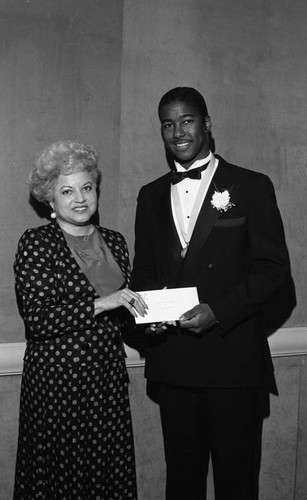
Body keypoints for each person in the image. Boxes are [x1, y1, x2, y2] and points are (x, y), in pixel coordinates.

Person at [132, 87, 290, 500]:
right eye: (168, 123)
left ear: (207, 124)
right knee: (181, 480)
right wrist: (151, 314)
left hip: (232, 360)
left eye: (187, 120)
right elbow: (144, 271)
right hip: (174, 362)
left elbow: (273, 271)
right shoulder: (149, 196)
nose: (178, 131)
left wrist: (218, 311)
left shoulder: (251, 185)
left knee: (236, 481)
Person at [13, 140, 147, 500]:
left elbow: (124, 314)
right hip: (58, 386)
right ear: (50, 200)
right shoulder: (38, 244)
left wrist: (153, 321)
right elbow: (39, 320)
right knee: (61, 481)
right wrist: (102, 303)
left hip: (106, 384)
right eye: (67, 191)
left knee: (106, 476)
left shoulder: (115, 243)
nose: (80, 198)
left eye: (86, 187)